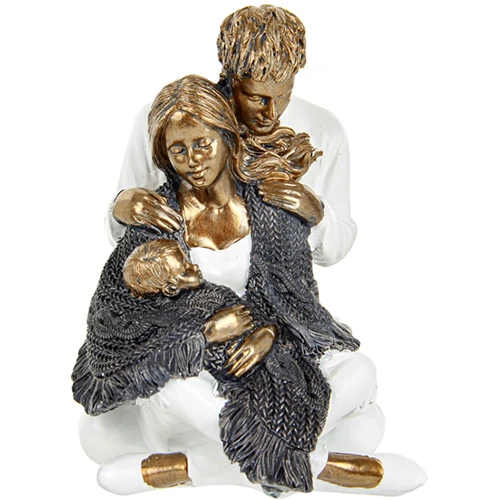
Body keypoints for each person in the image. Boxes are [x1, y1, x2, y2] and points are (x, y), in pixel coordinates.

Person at [75, 75, 425, 496]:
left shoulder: (270, 209)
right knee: (171, 385)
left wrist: (270, 332)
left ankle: (203, 466)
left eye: (203, 144)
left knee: (360, 371)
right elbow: (120, 321)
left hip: (273, 359)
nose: (193, 160)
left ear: (227, 137)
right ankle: (313, 465)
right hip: (200, 370)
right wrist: (203, 336)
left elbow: (299, 305)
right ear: (164, 156)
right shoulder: (156, 217)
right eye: (178, 150)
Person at [107, 5, 356, 267]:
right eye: (256, 98)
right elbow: (123, 239)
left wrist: (317, 212)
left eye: (283, 95)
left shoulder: (324, 130)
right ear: (230, 78)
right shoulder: (165, 118)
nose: (271, 113)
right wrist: (121, 207)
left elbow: (336, 250)